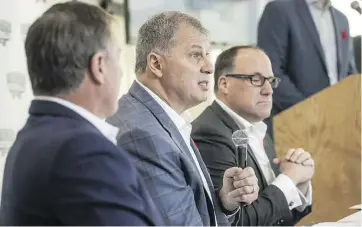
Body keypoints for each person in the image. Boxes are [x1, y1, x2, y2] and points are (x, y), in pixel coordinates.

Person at [0, 2, 163, 225]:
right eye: (116, 56)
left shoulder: (34, 136)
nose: (121, 70)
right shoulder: (84, 151)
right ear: (99, 66)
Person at [107, 11, 259, 226]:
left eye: (208, 54)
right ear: (156, 64)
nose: (209, 67)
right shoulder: (142, 134)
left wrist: (223, 201)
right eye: (196, 55)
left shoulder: (162, 119)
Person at [191, 46, 314, 226]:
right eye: (256, 79)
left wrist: (299, 183)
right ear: (224, 84)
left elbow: (277, 218)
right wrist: (290, 178)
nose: (268, 90)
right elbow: (240, 222)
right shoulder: (209, 132)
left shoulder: (257, 128)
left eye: (271, 80)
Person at [258, 0, 358, 138]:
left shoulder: (342, 19)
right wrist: (310, 111)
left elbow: (349, 72)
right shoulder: (279, 10)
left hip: (336, 127)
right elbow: (271, 71)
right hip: (293, 124)